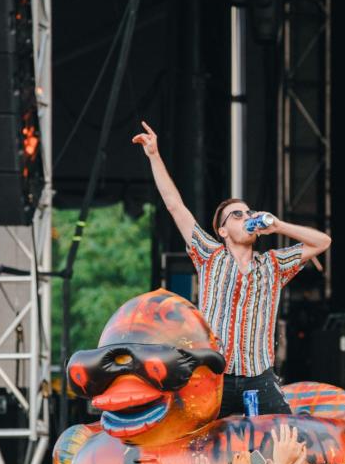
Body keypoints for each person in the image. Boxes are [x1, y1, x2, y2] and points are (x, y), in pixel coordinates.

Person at [133, 121, 332, 416]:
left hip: (259, 378)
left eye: (249, 212)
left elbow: (322, 242)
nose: (247, 217)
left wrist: (277, 225)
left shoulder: (273, 265)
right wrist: (154, 155)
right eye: (237, 215)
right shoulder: (211, 256)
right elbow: (175, 206)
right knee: (204, 448)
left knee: (284, 441)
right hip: (215, 377)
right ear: (223, 232)